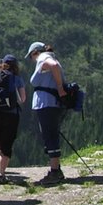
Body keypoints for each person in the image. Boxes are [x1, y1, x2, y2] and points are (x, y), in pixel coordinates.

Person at [27, 41, 67, 185]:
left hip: (46, 104)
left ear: (35, 53)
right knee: (51, 134)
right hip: (51, 103)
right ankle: (55, 169)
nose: (31, 60)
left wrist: (60, 87)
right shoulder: (51, 57)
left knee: (50, 135)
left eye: (31, 56)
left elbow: (53, 66)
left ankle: (55, 171)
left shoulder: (44, 58)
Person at [0, 54, 27, 184]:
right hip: (11, 114)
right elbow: (23, 99)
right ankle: (1, 174)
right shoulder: (17, 79)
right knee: (7, 145)